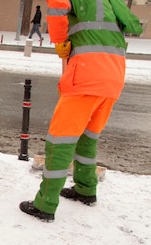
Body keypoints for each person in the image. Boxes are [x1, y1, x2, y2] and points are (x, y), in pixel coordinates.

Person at [20, 0, 142, 222]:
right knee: (88, 138)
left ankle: (45, 204)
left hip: (86, 77)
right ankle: (85, 189)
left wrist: (60, 40)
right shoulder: (109, 2)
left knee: (60, 142)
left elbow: (57, 5)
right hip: (113, 79)